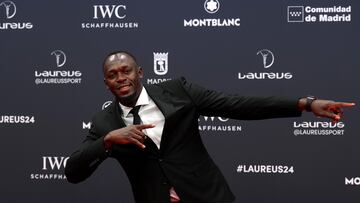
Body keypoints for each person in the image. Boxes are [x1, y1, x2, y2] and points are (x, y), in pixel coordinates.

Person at [65, 51, 355, 203]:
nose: (120, 78)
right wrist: (107, 141)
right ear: (106, 83)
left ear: (139, 72)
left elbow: (239, 105)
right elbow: (73, 172)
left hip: (207, 196)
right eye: (112, 75)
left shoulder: (178, 91)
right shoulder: (105, 122)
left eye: (125, 70)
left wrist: (304, 103)